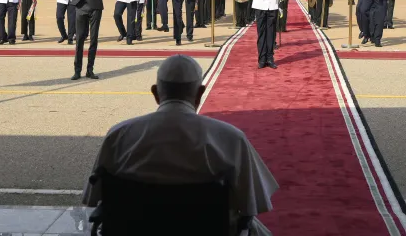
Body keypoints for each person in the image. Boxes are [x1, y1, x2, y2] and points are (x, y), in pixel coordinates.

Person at [82, 54, 278, 235]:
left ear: (156, 93)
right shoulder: (230, 139)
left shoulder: (119, 136)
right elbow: (252, 204)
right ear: (200, 93)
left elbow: (94, 197)